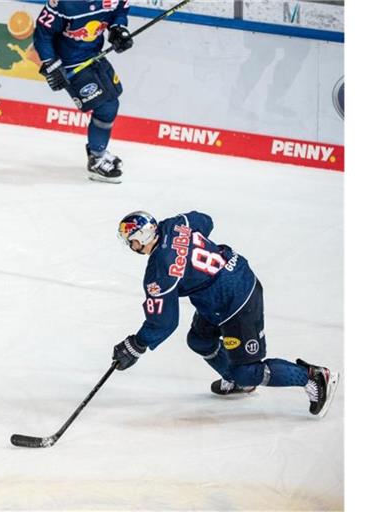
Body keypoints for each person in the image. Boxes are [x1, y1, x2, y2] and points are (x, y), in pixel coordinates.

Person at [112, 210, 339, 417]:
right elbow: (206, 221)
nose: (129, 245)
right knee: (199, 340)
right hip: (225, 283)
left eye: (129, 239)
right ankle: (236, 382)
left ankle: (313, 377)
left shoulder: (159, 272)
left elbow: (164, 323)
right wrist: (183, 245)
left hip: (236, 300)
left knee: (247, 371)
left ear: (141, 237)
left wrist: (136, 344)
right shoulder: (176, 224)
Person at [33, 0, 134, 184]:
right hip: (70, 63)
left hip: (94, 55)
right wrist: (50, 63)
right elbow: (42, 34)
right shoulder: (64, 3)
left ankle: (98, 150)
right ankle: (96, 158)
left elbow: (120, 10)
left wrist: (118, 28)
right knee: (106, 106)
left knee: (113, 101)